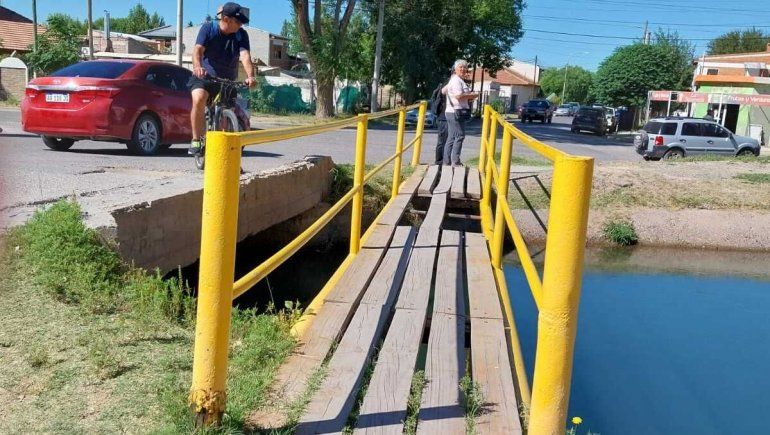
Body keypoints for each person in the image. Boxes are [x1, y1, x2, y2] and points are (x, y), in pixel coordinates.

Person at [188, 2, 256, 155]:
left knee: (227, 112)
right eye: (238, 22)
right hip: (205, 76)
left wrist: (250, 76)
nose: (240, 25)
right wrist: (197, 67)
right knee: (199, 98)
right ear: (226, 19)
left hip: (228, 79)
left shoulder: (241, 35)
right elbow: (197, 50)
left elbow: (245, 56)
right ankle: (196, 139)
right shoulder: (208, 28)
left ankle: (224, 152)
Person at [442, 59, 478, 166]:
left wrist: (469, 96)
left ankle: (447, 162)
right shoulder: (456, 80)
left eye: (464, 67)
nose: (463, 69)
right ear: (455, 69)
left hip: (452, 111)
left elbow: (444, 91)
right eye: (460, 67)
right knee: (460, 136)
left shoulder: (456, 80)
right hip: (455, 112)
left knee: (452, 137)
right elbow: (458, 96)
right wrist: (473, 95)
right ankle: (455, 161)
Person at [430, 74, 450, 164]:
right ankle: (439, 162)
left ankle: (444, 161)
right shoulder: (448, 84)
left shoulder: (448, 82)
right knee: (442, 140)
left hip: (446, 117)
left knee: (446, 140)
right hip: (443, 117)